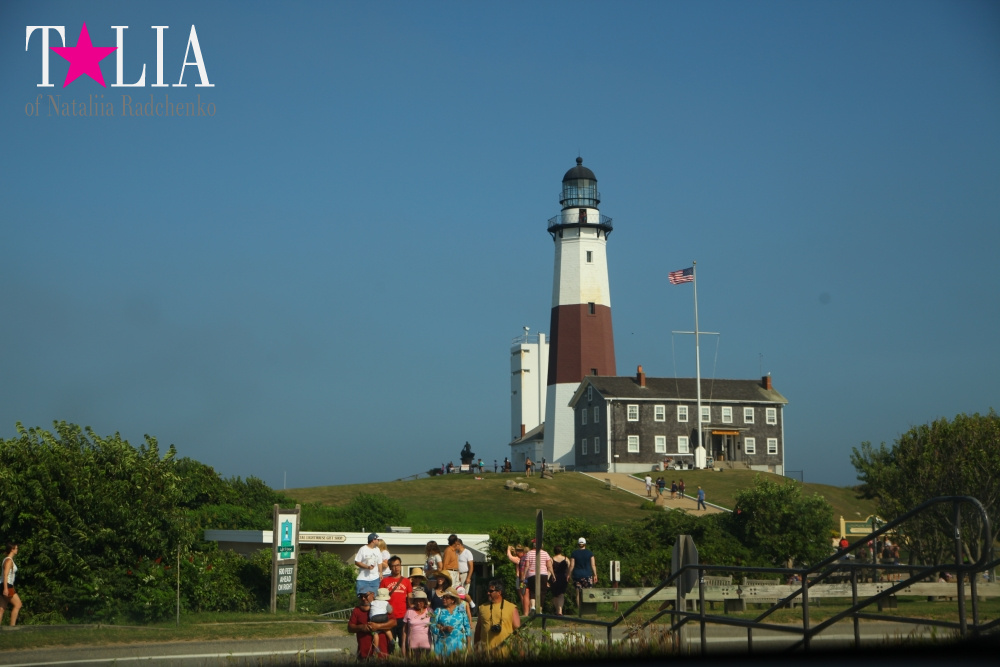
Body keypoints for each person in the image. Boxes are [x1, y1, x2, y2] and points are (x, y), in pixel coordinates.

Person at [474, 579, 521, 657]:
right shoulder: (482, 608)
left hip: (506, 653)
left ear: (499, 592)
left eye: (491, 591)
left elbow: (518, 630)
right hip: (486, 653)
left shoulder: (511, 608)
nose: (488, 593)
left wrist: (520, 649)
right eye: (488, 591)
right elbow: (478, 630)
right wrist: (476, 650)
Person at [348, 590, 396, 659]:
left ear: (373, 595)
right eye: (361, 596)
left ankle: (391, 642)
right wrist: (361, 627)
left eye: (365, 596)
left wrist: (378, 626)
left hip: (383, 654)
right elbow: (350, 628)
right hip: (364, 653)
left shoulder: (382, 606)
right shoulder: (357, 610)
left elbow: (394, 622)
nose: (363, 598)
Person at [380, 556, 413, 652]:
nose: (396, 568)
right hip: (389, 616)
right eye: (393, 566)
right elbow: (381, 599)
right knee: (390, 643)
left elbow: (410, 598)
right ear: (390, 567)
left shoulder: (406, 581)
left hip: (403, 616)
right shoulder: (385, 581)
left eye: (398, 565)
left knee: (404, 643)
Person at [431, 588, 470, 656]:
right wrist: (443, 629)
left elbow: (467, 626)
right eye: (443, 597)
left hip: (459, 645)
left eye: (447, 597)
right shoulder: (438, 611)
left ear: (453, 600)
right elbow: (432, 626)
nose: (444, 599)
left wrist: (469, 644)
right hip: (443, 645)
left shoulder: (460, 609)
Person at [522, 539, 554, 614]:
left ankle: (533, 606)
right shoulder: (545, 553)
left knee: (532, 591)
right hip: (543, 574)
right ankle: (540, 609)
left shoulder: (529, 553)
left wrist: (524, 575)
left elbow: (527, 566)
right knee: (543, 591)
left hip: (532, 574)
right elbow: (549, 566)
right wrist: (553, 574)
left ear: (533, 545)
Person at [402, 589, 433, 658]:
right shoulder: (409, 611)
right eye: (417, 601)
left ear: (425, 601)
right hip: (412, 645)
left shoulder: (430, 611)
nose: (419, 603)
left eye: (421, 600)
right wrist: (403, 645)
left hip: (426, 644)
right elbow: (404, 630)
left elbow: (434, 627)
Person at [506, 544, 530, 616]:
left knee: (522, 595)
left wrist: (508, 549)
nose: (516, 554)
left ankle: (525, 611)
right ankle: (527, 611)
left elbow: (509, 556)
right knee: (526, 595)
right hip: (526, 578)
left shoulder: (520, 559)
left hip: (520, 579)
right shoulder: (526, 559)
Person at [1, 543, 21, 627]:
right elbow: (5, 575)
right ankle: (12, 627)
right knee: (18, 604)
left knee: (1, 608)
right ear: (12, 549)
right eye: (16, 548)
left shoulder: (7, 559)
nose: (17, 550)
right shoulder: (9, 560)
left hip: (3, 584)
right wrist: (6, 588)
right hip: (6, 585)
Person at [550, 546, 569, 615]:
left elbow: (549, 568)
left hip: (554, 577)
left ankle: (557, 610)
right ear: (561, 551)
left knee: (555, 594)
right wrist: (568, 575)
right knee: (561, 594)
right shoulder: (566, 559)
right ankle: (560, 610)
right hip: (563, 577)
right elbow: (569, 568)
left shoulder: (552, 559)